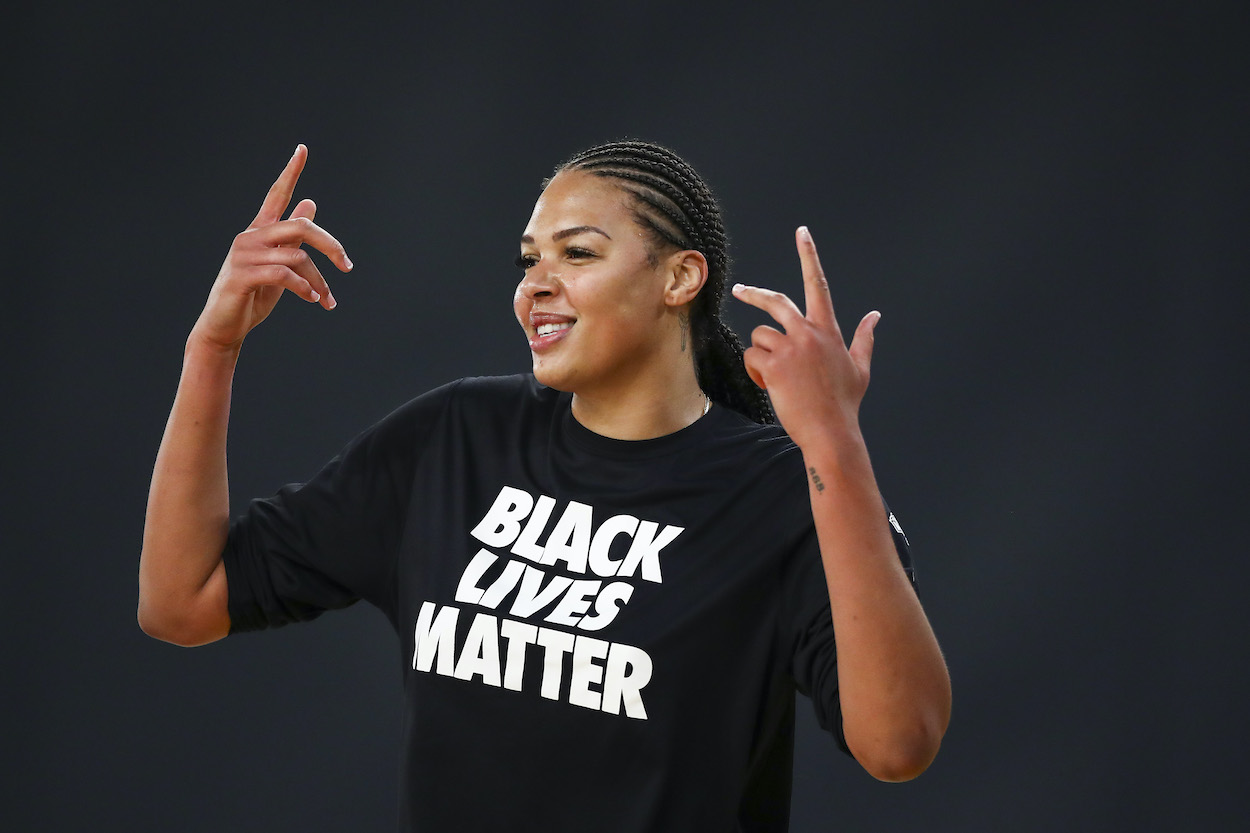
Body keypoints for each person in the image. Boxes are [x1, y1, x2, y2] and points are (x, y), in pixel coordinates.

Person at [138, 140, 951, 831]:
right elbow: (183, 599)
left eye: (578, 253)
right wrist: (212, 347)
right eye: (530, 259)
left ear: (680, 278)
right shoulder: (453, 439)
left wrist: (834, 440)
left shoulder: (783, 489)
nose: (536, 284)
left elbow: (899, 742)